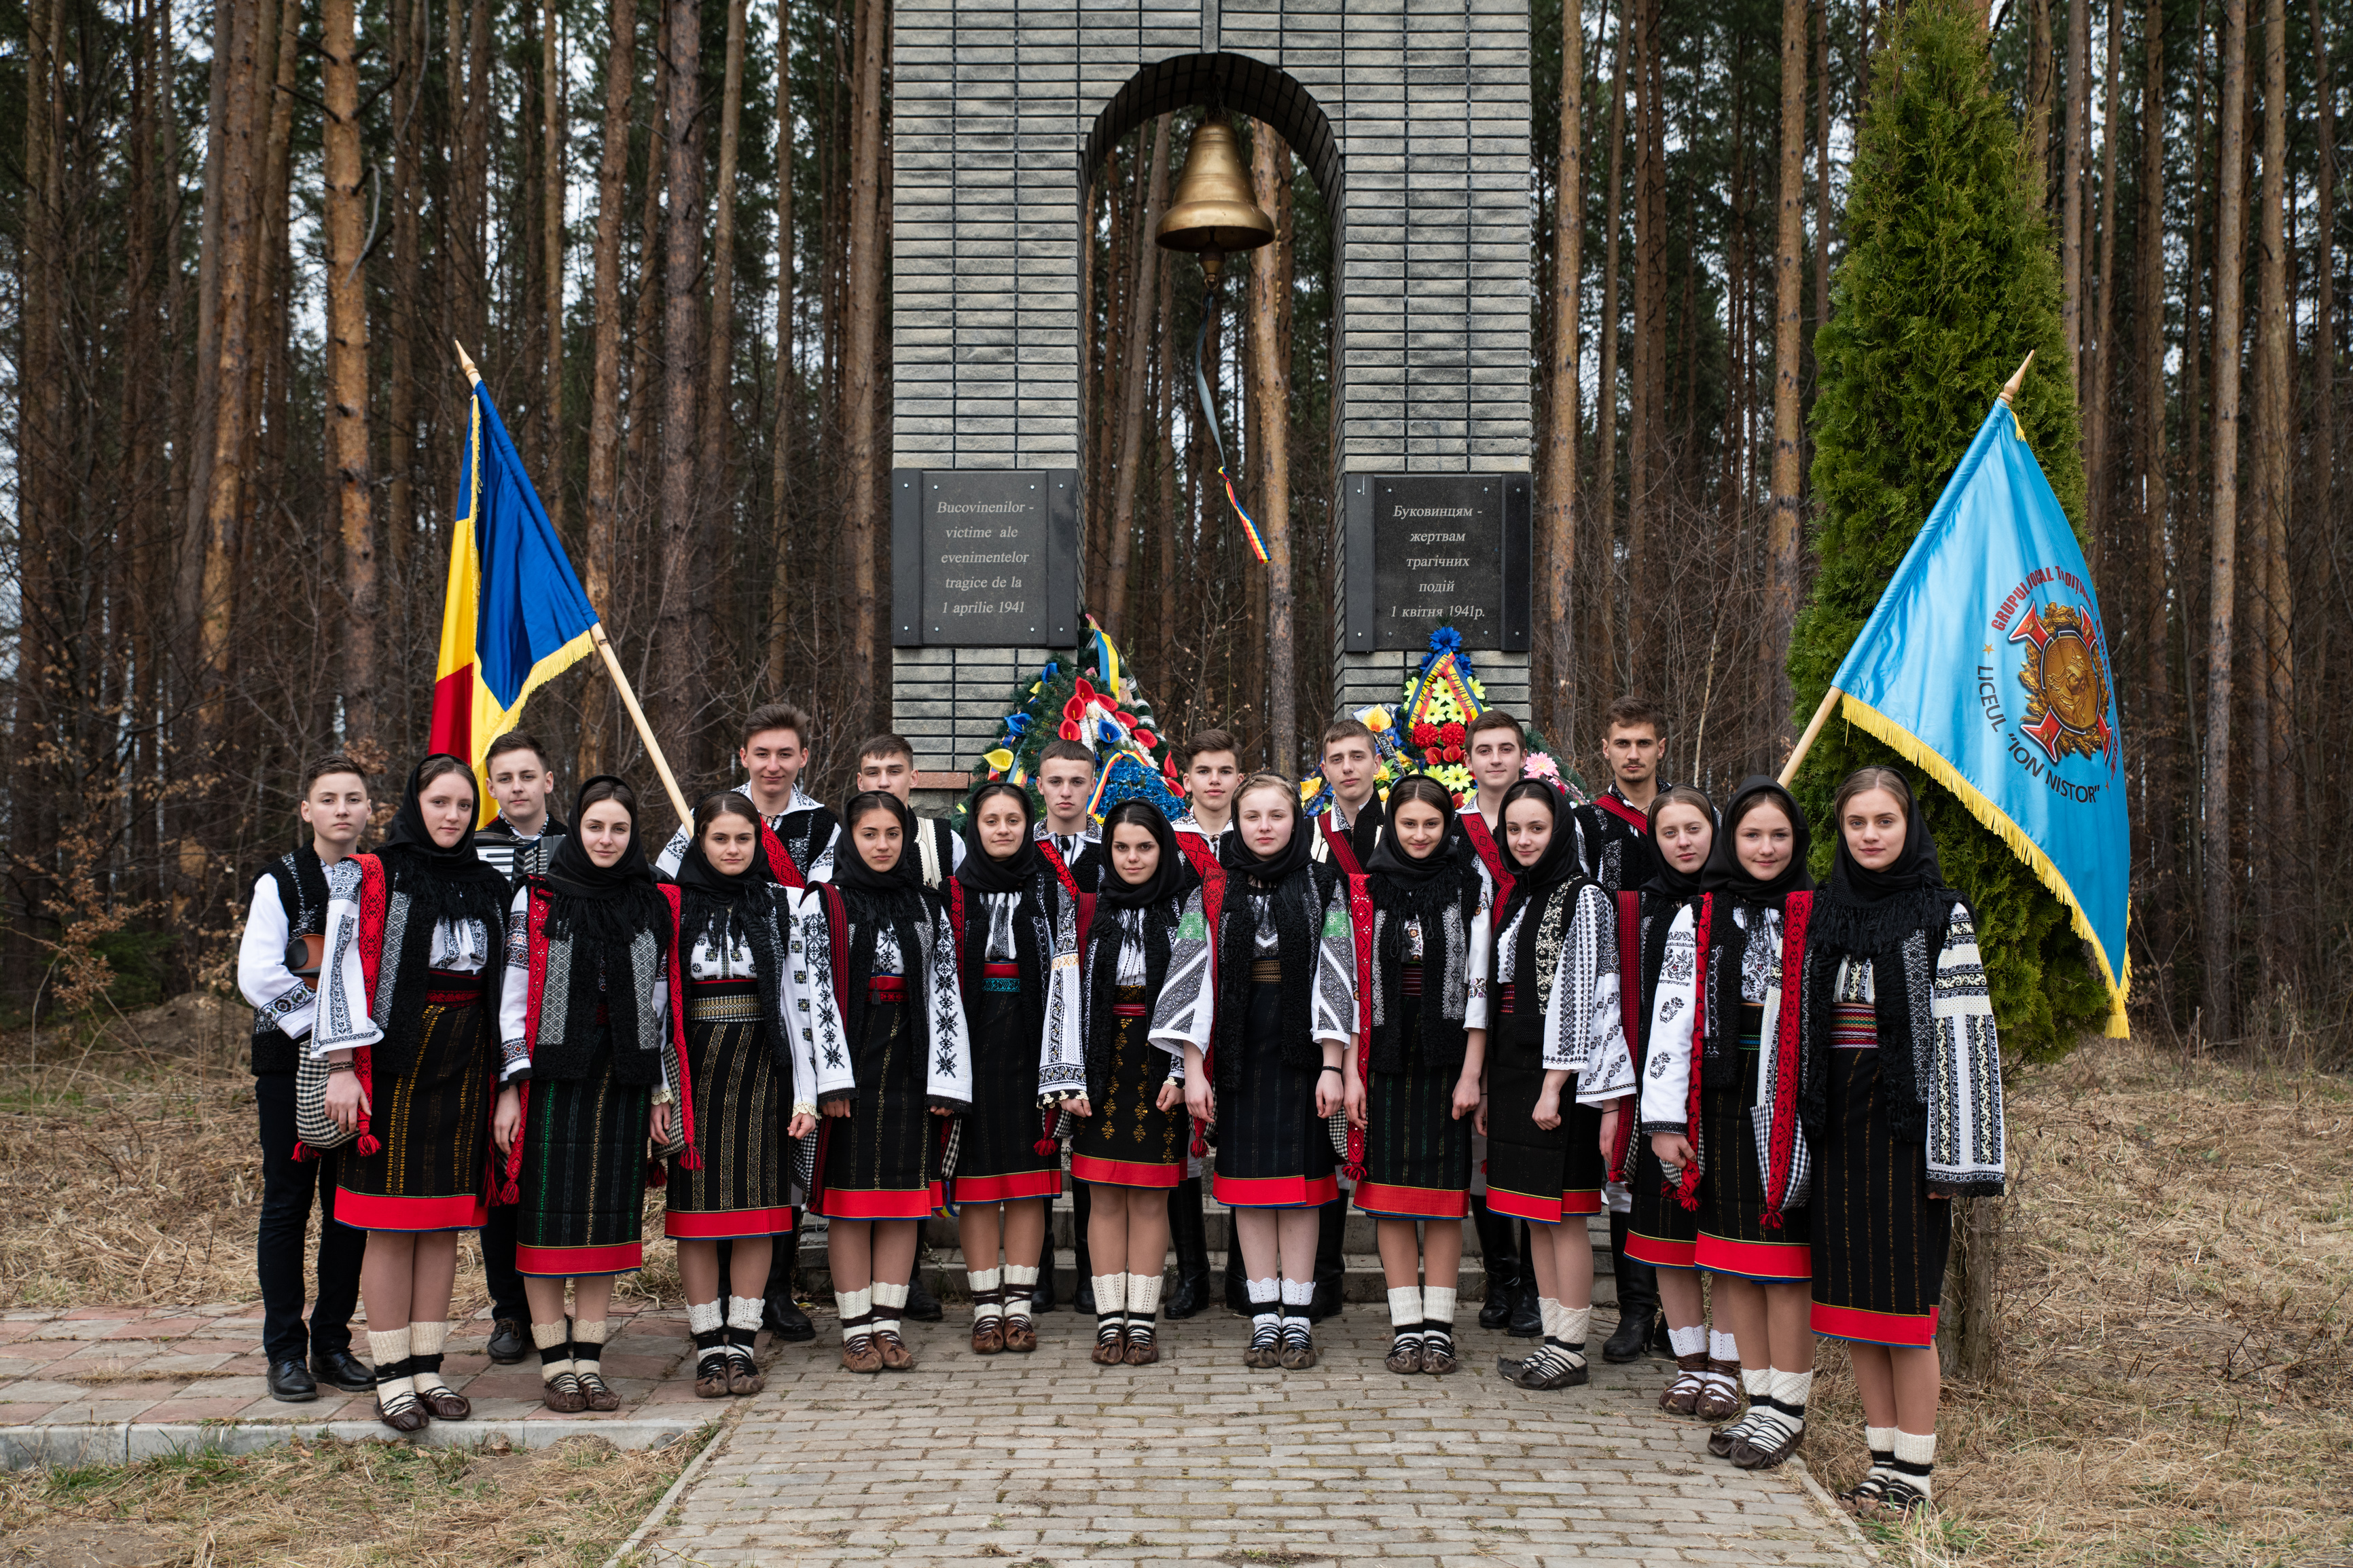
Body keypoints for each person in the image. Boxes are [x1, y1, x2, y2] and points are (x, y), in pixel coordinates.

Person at [1803, 768, 2005, 1518]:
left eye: (1883, 819)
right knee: (1856, 1307)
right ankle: (1878, 1463)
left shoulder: (1939, 912)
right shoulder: (1823, 909)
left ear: (1907, 824)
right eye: (1856, 821)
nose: (1869, 834)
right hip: (1836, 1129)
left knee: (1905, 1310)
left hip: (1905, 1131)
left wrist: (1949, 1154)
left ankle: (1913, 1478)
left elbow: (1963, 1037)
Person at [312, 755, 512, 1432]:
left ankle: (429, 1365)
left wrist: (508, 1081)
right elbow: (341, 970)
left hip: (466, 1062)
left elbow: (506, 988)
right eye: (439, 802)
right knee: (391, 1225)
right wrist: (342, 1063)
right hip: (393, 1065)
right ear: (413, 803)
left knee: (443, 1223)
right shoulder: (374, 874)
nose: (452, 815)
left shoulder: (490, 884)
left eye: (463, 804)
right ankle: (391, 1374)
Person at [1640, 776, 1818, 1470]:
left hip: (1791, 1105)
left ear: (1796, 840)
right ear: (1730, 840)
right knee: (1733, 1261)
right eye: (1751, 834)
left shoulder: (1817, 911)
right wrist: (1661, 1117)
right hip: (1717, 1097)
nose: (1765, 847)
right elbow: (1671, 1015)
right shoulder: (1702, 914)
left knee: (1784, 1264)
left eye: (1778, 834)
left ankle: (1787, 1409)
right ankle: (1757, 1398)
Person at [492, 778, 681, 1410]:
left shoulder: (650, 901)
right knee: (547, 1219)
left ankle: (591, 1361)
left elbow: (657, 1001)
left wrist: (658, 1087)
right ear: (576, 828)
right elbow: (514, 994)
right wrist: (512, 1086)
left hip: (621, 1078)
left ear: (633, 835)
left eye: (619, 828)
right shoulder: (539, 898)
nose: (606, 838)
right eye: (595, 826)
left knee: (602, 1221)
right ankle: (554, 1365)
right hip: (551, 1078)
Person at [1175, 773, 1359, 1371]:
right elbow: (1189, 976)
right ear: (1237, 819)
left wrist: (1332, 1063)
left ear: (1295, 819)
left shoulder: (1322, 883)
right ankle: (1263, 1318)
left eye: (1275, 815)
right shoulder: (1211, 886)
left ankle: (1299, 1319)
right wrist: (1193, 1069)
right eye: (1251, 814)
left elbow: (1337, 972)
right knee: (1251, 1193)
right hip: (1236, 1051)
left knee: (1303, 1193)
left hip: (1302, 1052)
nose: (1262, 825)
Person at [663, 792, 831, 1398]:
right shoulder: (673, 906)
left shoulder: (783, 905)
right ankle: (708, 1346)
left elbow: (802, 1003)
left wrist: (807, 1095)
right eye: (720, 840)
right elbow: (662, 1005)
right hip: (697, 1069)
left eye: (743, 839)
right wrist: (663, 1088)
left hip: (766, 1068)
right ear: (700, 843)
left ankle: (743, 1339)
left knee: (760, 1213)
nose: (733, 850)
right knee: (699, 1217)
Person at [1473, 780, 1632, 1391]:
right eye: (1514, 829)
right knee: (1533, 1213)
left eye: (1536, 827)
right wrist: (1492, 1084)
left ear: (1560, 828)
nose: (1524, 839)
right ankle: (1553, 1337)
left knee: (1564, 1214)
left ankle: (1572, 1343)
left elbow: (1580, 995)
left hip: (1556, 1078)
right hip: (1514, 1069)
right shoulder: (1518, 895)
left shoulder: (1583, 897)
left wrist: (1553, 1083)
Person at [812, 791, 973, 1372]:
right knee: (852, 1203)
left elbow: (945, 989)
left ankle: (888, 1320)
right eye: (869, 834)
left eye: (892, 834)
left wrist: (946, 1080)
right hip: (851, 1062)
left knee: (904, 1203)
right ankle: (856, 1329)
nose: (882, 845)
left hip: (911, 1058)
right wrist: (830, 1080)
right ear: (849, 839)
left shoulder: (926, 905)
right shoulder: (825, 903)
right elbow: (813, 993)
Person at [1342, 776, 1492, 1376]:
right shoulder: (1364, 891)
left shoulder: (1468, 887)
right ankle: (1406, 1326)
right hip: (1383, 1058)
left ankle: (1440, 1326)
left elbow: (1479, 987)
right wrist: (1352, 1071)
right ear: (1390, 828)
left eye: (1432, 823)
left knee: (1443, 1200)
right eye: (1409, 823)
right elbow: (1348, 988)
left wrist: (1471, 1072)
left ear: (1447, 826)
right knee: (1393, 1201)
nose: (1422, 834)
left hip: (1445, 1059)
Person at [237, 755, 376, 1404]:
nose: (342, 809)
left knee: (348, 1208)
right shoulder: (280, 880)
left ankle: (333, 1342)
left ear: (369, 809)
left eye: (353, 797)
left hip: (363, 1066)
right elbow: (259, 974)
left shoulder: (379, 878)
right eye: (329, 798)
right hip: (291, 1058)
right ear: (308, 809)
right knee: (290, 1203)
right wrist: (326, 1029)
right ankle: (285, 1350)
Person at [1059, 801, 1211, 1365]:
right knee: (1102, 1196)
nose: (1131, 858)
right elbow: (1065, 997)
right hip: (1100, 1067)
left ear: (1164, 849)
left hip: (1158, 1063)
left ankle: (1141, 1320)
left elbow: (1197, 991)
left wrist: (1181, 1069)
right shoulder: (1085, 909)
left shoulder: (1186, 907)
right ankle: (1109, 1319)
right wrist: (1069, 1074)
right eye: (1121, 847)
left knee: (1149, 1197)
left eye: (1144, 847)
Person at [1617, 786, 1740, 1421]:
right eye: (1670, 832)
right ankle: (1689, 1363)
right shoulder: (1640, 906)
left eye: (1695, 829)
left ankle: (1727, 1365)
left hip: (1729, 1093)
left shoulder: (1739, 904)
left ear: (1715, 832)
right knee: (1667, 1236)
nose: (1684, 842)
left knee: (1728, 1239)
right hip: (1658, 1089)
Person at [950, 781, 1081, 1355]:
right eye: (990, 820)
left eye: (1012, 820)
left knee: (1029, 1185)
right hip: (972, 1046)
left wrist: (1063, 1062)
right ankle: (985, 1308)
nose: (1002, 829)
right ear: (974, 828)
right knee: (979, 1184)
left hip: (1034, 1042)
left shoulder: (1052, 888)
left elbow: (1069, 973)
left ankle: (1021, 1307)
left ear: (1031, 825)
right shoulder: (952, 894)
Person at [472, 730, 569, 1364]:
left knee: (555, 1172)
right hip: (488, 1028)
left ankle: (555, 1310)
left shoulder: (580, 844)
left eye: (526, 776)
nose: (516, 788)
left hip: (563, 1030)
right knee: (501, 1170)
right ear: (491, 787)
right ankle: (509, 1310)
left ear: (548, 780)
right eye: (504, 778)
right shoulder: (472, 848)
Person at [1454, 710, 1537, 1337]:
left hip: (1531, 999)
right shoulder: (1452, 830)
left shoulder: (1551, 819)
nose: (1496, 760)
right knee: (1482, 1146)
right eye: (1484, 750)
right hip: (1468, 995)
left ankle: (1535, 1285)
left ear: (1521, 755)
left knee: (1532, 1142)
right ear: (1469, 759)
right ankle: (1501, 1275)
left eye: (1507, 748)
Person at [1170, 728, 1242, 1317]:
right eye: (1204, 770)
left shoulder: (1261, 836)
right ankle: (1192, 1273)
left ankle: (1244, 1273)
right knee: (1179, 1149)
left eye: (1225, 770)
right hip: (1185, 1000)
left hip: (1246, 1006)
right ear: (1185, 778)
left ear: (1239, 778)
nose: (1214, 780)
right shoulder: (1169, 843)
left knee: (1243, 1142)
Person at [655, 703, 838, 883]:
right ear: (744, 757)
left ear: (803, 757)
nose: (773, 767)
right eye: (762, 754)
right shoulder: (707, 812)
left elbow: (820, 900)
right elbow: (665, 877)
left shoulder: (825, 827)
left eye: (784, 754)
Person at [812, 734, 965, 890]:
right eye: (873, 773)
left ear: (913, 778)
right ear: (860, 781)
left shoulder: (947, 840)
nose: (883, 783)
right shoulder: (838, 845)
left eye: (894, 771)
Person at [1573, 696, 1671, 892]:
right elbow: (1576, 899)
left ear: (1660, 749)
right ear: (1606, 749)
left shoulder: (1696, 812)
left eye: (1643, 743)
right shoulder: (1582, 824)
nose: (1633, 755)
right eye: (1623, 743)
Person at [1309, 716, 1386, 875]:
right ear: (1326, 771)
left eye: (1357, 756)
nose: (1347, 768)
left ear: (1376, 764)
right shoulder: (1306, 834)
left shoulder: (1403, 827)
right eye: (1337, 759)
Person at [1034, 738, 1104, 893]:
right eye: (1055, 782)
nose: (1066, 793)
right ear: (1040, 785)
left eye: (1077, 782)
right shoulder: (1021, 846)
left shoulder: (1112, 847)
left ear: (1092, 786)